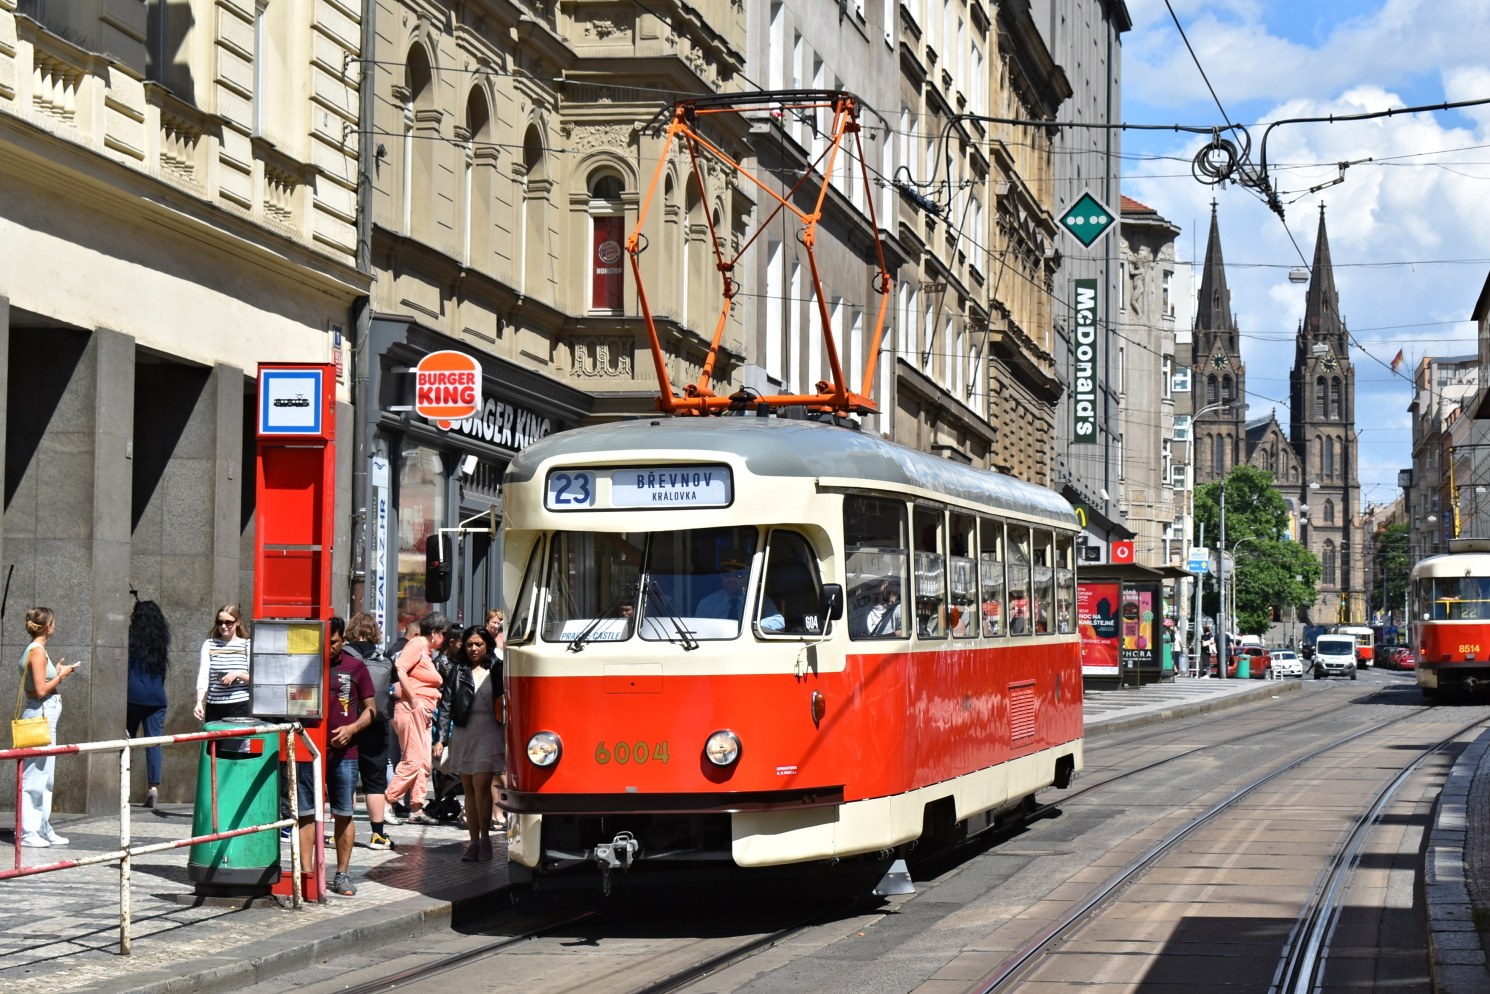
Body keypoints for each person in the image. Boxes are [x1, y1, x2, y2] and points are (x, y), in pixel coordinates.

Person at [320, 616, 376, 896]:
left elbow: (371, 709)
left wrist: (352, 728)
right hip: (311, 752)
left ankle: (341, 874)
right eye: (324, 642)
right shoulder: (308, 666)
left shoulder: (355, 667)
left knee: (343, 813)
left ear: (343, 640)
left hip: (345, 753)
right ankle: (308, 874)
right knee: (307, 814)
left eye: (333, 642)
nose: (328, 647)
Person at [17, 607, 79, 848]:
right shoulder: (37, 651)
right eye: (53, 622)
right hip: (41, 712)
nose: (55, 626)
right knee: (35, 775)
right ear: (46, 626)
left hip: (43, 711)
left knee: (45, 775)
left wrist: (57, 670)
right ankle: (28, 832)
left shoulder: (37, 650)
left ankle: (42, 827)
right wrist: (62, 675)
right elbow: (41, 690)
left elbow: (37, 685)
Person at [442, 626, 504, 862]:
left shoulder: (497, 667)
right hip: (463, 732)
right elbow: (446, 703)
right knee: (468, 789)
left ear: (487, 645)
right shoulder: (458, 669)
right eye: (469, 645)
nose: (474, 649)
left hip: (489, 731)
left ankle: (485, 838)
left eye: (479, 644)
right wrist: (441, 739)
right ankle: (474, 841)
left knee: (482, 785)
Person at [385, 613, 448, 826]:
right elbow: (400, 668)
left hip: (423, 712)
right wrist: (413, 700)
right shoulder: (417, 644)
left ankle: (416, 808)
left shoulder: (426, 651)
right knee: (412, 761)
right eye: (444, 634)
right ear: (435, 632)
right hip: (412, 710)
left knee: (423, 763)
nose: (445, 638)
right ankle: (386, 803)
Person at [343, 612, 395, 851]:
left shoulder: (344, 655)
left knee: (346, 778)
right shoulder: (383, 657)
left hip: (348, 723)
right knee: (375, 781)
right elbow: (394, 689)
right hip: (376, 722)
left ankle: (341, 833)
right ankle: (378, 835)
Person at [126, 599, 172, 808]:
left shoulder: (130, 638)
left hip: (132, 696)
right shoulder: (160, 641)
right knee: (154, 743)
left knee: (126, 742)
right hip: (156, 697)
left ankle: (123, 787)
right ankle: (153, 788)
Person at [193, 605, 251, 722]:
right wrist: (199, 702)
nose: (223, 626)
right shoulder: (209, 644)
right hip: (214, 705)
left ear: (237, 622)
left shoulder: (246, 645)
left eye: (228, 622)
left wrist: (237, 674)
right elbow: (203, 675)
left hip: (240, 704)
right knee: (214, 735)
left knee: (236, 735)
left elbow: (255, 680)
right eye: (220, 622)